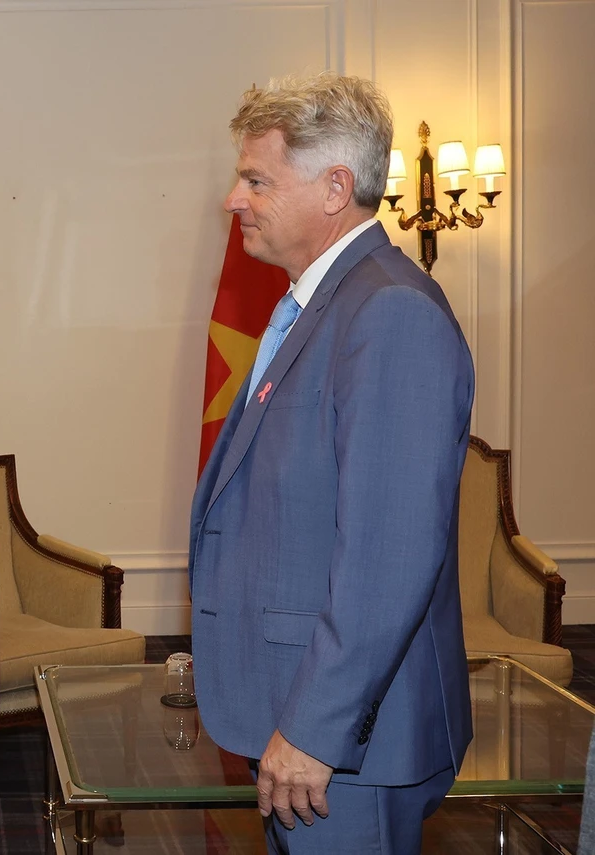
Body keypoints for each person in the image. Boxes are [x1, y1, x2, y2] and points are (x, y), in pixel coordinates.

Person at [189, 73, 475, 854]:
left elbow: (389, 555)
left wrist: (316, 729)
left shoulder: (389, 313)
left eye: (255, 179)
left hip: (344, 744)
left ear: (334, 188)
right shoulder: (319, 303)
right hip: (308, 721)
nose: (234, 199)